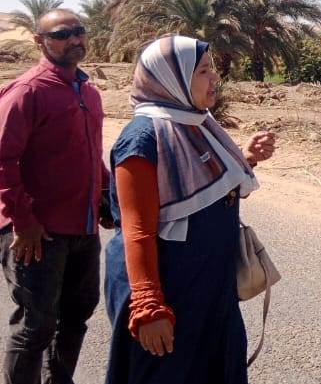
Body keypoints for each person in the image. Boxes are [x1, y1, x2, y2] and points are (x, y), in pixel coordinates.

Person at [103, 35, 275, 384]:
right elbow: (138, 231)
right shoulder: (142, 139)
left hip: (210, 288)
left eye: (212, 69)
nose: (215, 79)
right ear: (173, 78)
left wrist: (247, 159)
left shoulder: (195, 124)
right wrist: (149, 306)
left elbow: (202, 185)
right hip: (169, 292)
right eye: (204, 71)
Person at [0, 8, 111, 384]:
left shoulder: (89, 92)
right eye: (62, 35)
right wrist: (24, 221)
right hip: (37, 233)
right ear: (39, 41)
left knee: (76, 317)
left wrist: (106, 196)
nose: (74, 39)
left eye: (79, 31)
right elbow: (3, 160)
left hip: (83, 229)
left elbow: (90, 156)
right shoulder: (27, 91)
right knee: (35, 326)